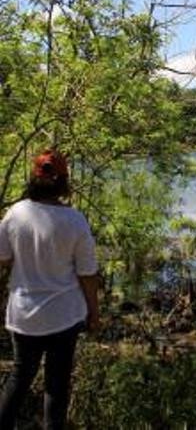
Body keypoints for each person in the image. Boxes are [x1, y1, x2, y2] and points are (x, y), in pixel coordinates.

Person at [0, 150, 100, 430]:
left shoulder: (16, 213)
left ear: (34, 177)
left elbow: (3, 258)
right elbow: (87, 275)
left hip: (23, 315)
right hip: (63, 316)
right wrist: (94, 313)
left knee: (20, 377)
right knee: (57, 387)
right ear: (64, 182)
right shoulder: (75, 220)